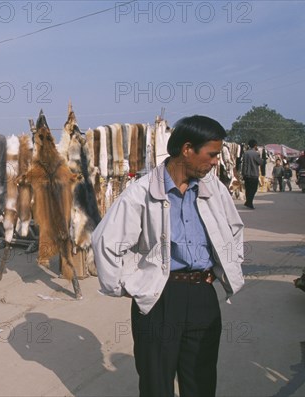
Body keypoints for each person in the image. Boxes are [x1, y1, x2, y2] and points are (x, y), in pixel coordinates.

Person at [92, 115, 245, 397]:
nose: (215, 162)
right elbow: (106, 242)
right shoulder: (141, 192)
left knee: (201, 381)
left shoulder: (214, 189)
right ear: (187, 149)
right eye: (211, 154)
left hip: (203, 296)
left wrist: (229, 265)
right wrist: (129, 285)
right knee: (156, 383)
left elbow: (234, 230)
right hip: (160, 298)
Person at [241, 139, 263, 208]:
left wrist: (243, 174)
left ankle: (249, 202)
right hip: (254, 174)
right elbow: (260, 162)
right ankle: (249, 202)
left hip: (246, 174)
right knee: (253, 189)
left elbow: (244, 164)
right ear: (255, 145)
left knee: (248, 189)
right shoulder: (256, 154)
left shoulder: (245, 153)